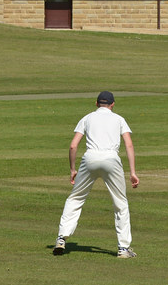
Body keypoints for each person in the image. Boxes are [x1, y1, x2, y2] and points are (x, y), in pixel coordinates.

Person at [52, 91, 139, 259]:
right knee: (120, 203)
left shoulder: (87, 118)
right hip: (111, 159)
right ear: (113, 104)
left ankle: (62, 237)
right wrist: (133, 172)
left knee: (75, 198)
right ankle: (123, 248)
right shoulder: (119, 119)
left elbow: (73, 146)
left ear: (96, 103)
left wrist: (72, 169)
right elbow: (129, 145)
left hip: (90, 158)